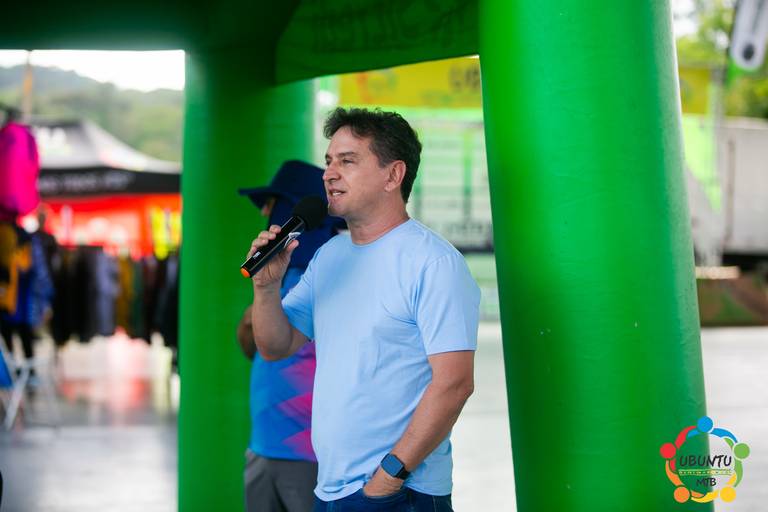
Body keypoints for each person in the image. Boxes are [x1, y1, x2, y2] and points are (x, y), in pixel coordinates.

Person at [247, 108, 480, 511]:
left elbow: (454, 384)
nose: (329, 174)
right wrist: (266, 289)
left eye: (348, 161)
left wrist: (387, 479)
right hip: (330, 488)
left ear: (393, 175)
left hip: (400, 493)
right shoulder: (330, 256)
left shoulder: (433, 262)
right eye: (328, 161)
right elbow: (275, 346)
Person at [237, 160, 345, 512]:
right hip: (263, 445)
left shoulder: (328, 277)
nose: (264, 213)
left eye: (270, 205)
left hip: (309, 453)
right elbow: (254, 345)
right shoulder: (279, 278)